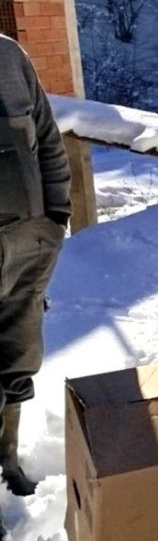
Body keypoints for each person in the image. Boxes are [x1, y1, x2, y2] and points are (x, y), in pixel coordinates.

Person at [0, 34, 70, 505]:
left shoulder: (9, 56)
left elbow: (47, 139)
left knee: (19, 354)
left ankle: (7, 459)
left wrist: (57, 215)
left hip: (27, 240)